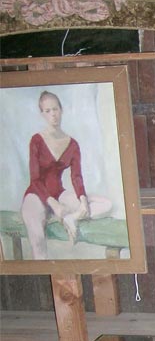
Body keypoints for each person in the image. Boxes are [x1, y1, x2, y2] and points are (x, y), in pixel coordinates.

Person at [21, 90, 111, 260]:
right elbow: (35, 179)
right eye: (48, 111)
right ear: (42, 114)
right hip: (37, 194)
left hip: (60, 193)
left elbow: (76, 177)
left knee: (105, 204)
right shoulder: (37, 140)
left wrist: (83, 202)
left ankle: (72, 218)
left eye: (55, 109)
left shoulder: (73, 144)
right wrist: (54, 205)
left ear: (61, 110)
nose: (53, 114)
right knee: (38, 239)